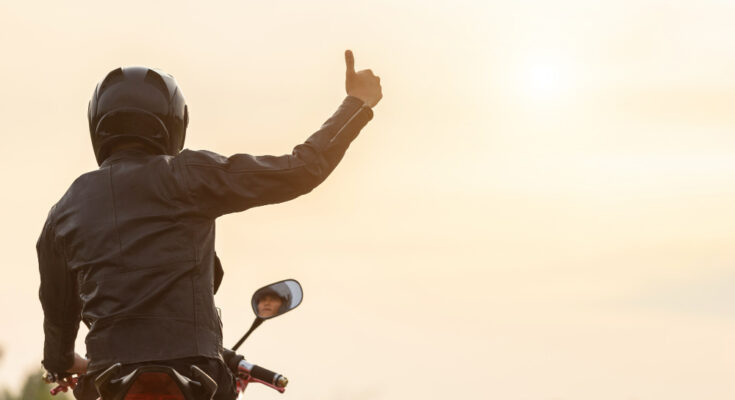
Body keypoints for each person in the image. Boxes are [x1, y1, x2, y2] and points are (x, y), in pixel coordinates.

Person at [37, 49, 382, 400]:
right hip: (197, 375)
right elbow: (299, 171)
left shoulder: (64, 211)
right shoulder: (188, 176)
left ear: (98, 123)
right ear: (173, 120)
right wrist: (356, 103)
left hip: (109, 376)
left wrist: (65, 361)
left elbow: (59, 316)